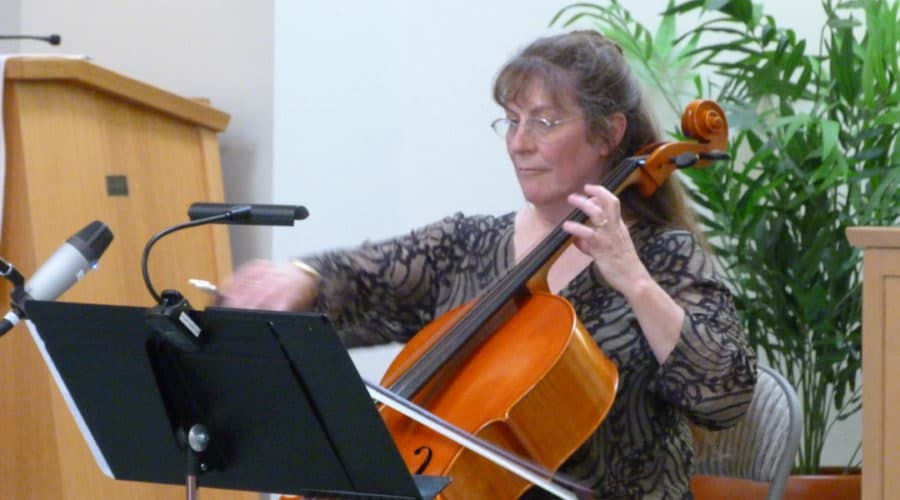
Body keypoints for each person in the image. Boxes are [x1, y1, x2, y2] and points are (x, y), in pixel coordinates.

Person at [220, 30, 757, 499]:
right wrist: (301, 279)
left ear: (608, 133)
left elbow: (723, 393)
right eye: (512, 121)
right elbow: (368, 278)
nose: (520, 143)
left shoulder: (664, 256)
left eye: (545, 122)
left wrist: (634, 280)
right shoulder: (470, 244)